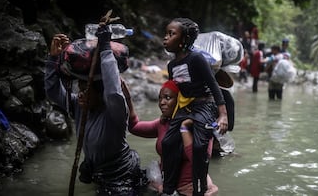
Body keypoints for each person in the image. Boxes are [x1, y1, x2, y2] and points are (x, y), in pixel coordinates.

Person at [45, 24, 145, 195]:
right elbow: (54, 93)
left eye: (86, 89)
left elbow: (113, 91)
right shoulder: (79, 106)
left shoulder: (115, 113)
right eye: (79, 88)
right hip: (99, 172)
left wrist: (106, 49)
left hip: (122, 175)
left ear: (101, 93)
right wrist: (53, 59)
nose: (80, 94)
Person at [161, 17, 228, 196]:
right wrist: (168, 113)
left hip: (206, 105)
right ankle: (168, 189)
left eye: (171, 34)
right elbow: (174, 91)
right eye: (166, 34)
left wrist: (223, 115)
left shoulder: (196, 58)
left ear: (183, 40)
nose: (165, 38)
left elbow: (213, 85)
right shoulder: (171, 65)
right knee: (168, 142)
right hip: (186, 107)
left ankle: (200, 190)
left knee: (199, 147)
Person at [122, 80, 218, 196]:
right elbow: (134, 127)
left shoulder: (198, 125)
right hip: (165, 186)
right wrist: (128, 98)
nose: (162, 102)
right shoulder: (163, 123)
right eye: (160, 98)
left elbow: (199, 161)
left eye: (167, 98)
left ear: (181, 101)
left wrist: (184, 128)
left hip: (189, 190)